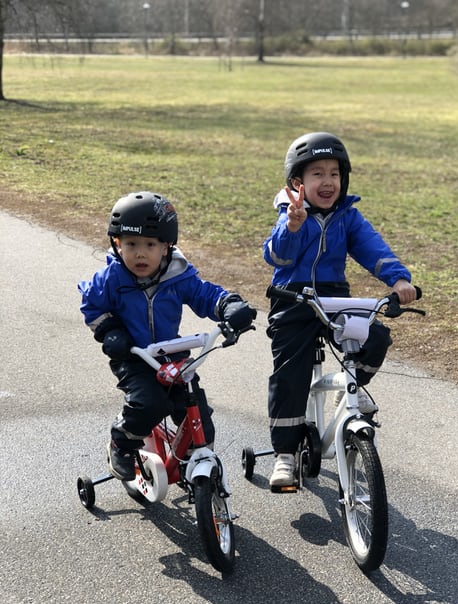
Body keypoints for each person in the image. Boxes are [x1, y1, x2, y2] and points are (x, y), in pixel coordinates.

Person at [263, 132, 417, 488]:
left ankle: (351, 385)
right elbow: (276, 256)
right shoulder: (291, 214)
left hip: (335, 297)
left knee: (375, 337)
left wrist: (398, 280)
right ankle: (285, 454)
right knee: (290, 372)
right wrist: (293, 226)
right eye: (317, 174)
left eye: (334, 173)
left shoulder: (348, 216)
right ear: (297, 182)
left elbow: (372, 248)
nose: (328, 181)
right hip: (293, 297)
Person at [78, 191, 256, 481]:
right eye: (131, 244)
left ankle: (197, 461)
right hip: (133, 355)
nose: (140, 253)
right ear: (117, 244)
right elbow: (92, 306)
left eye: (150, 244)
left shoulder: (178, 275)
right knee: (149, 405)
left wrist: (228, 304)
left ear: (166, 246)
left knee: (197, 414)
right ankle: (120, 442)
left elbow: (204, 295)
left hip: (171, 354)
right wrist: (110, 331)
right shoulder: (111, 279)